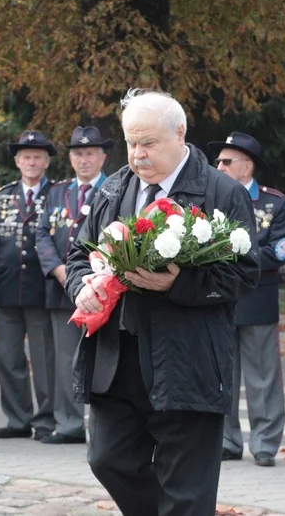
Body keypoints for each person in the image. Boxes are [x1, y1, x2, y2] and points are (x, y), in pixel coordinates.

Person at [67, 89, 260, 516]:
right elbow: (79, 253)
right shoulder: (113, 189)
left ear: (180, 133)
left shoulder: (221, 192)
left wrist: (176, 283)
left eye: (149, 143)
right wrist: (82, 285)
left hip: (187, 359)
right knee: (108, 460)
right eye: (132, 142)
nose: (138, 154)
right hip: (118, 359)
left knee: (187, 489)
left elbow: (244, 273)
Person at [209, 131, 285, 468]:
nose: (219, 166)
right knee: (222, 375)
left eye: (226, 161)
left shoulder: (275, 203)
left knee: (262, 376)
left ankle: (265, 443)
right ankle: (227, 440)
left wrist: (231, 254)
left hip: (257, 298)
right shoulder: (211, 198)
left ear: (247, 165)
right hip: (219, 298)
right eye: (218, 161)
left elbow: (279, 251)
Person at [35, 126, 110, 445]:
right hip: (62, 288)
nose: (84, 159)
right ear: (69, 158)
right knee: (64, 359)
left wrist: (92, 277)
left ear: (103, 156)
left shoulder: (115, 189)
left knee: (105, 359)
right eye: (78, 153)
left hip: (104, 290)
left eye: (90, 153)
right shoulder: (56, 192)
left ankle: (104, 427)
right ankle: (68, 424)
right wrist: (59, 270)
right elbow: (41, 234)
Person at [0, 131, 56, 441]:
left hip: (43, 290)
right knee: (8, 358)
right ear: (17, 161)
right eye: (26, 157)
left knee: (44, 359)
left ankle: (47, 419)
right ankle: (17, 418)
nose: (32, 162)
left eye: (38, 156)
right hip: (8, 290)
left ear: (47, 161)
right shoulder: (1, 197)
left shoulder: (58, 194)